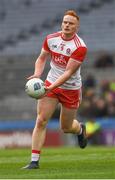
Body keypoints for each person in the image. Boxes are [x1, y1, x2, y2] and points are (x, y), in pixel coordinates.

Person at [23, 10, 88, 169]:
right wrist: (38, 75)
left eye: (70, 23)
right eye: (65, 22)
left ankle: (79, 129)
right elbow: (42, 58)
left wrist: (50, 86)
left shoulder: (80, 47)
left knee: (66, 128)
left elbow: (68, 73)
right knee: (41, 120)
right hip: (51, 83)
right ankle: (34, 161)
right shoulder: (51, 39)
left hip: (70, 88)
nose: (66, 25)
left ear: (76, 27)